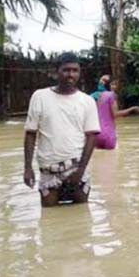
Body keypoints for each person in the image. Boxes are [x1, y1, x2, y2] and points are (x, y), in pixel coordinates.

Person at [24, 53, 100, 207]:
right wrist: (27, 168)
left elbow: (92, 137)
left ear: (79, 73)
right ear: (56, 72)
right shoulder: (40, 97)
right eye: (66, 70)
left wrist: (80, 171)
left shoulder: (87, 101)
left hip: (76, 167)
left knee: (81, 217)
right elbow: (30, 133)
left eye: (75, 70)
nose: (70, 74)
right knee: (49, 217)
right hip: (48, 169)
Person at [95, 79, 139, 150]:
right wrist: (132, 109)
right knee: (112, 159)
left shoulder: (100, 96)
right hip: (108, 133)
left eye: (116, 85)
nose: (114, 87)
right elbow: (115, 114)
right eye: (113, 84)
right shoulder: (112, 95)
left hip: (97, 133)